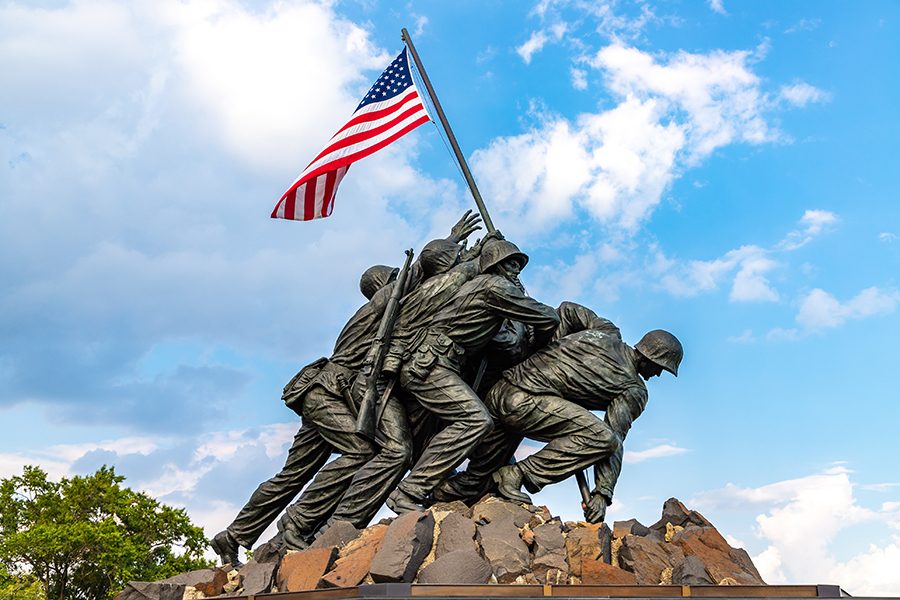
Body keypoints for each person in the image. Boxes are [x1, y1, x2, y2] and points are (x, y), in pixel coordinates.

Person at [209, 213, 481, 565]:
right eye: (395, 278)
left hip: (326, 393)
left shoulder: (376, 310)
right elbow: (420, 275)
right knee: (361, 451)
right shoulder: (381, 303)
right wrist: (454, 243)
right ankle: (297, 521)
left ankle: (233, 535)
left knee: (293, 475)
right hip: (328, 393)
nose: (401, 281)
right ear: (385, 284)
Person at [437, 324, 682, 524]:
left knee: (477, 481)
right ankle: (517, 474)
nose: (658, 374)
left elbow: (567, 310)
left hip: (501, 391)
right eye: (660, 367)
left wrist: (549, 349)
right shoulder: (634, 389)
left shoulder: (604, 331)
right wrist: (602, 494)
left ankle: (434, 495)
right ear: (650, 357)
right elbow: (613, 440)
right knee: (603, 438)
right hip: (524, 405)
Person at [386, 239, 561, 513]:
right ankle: (408, 492)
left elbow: (502, 339)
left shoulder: (480, 286)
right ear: (496, 265)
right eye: (512, 264)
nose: (517, 270)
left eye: (519, 265)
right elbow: (549, 317)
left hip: (437, 363)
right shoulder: (495, 286)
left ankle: (451, 488)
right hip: (431, 364)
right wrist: (536, 341)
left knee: (474, 423)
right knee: (476, 420)